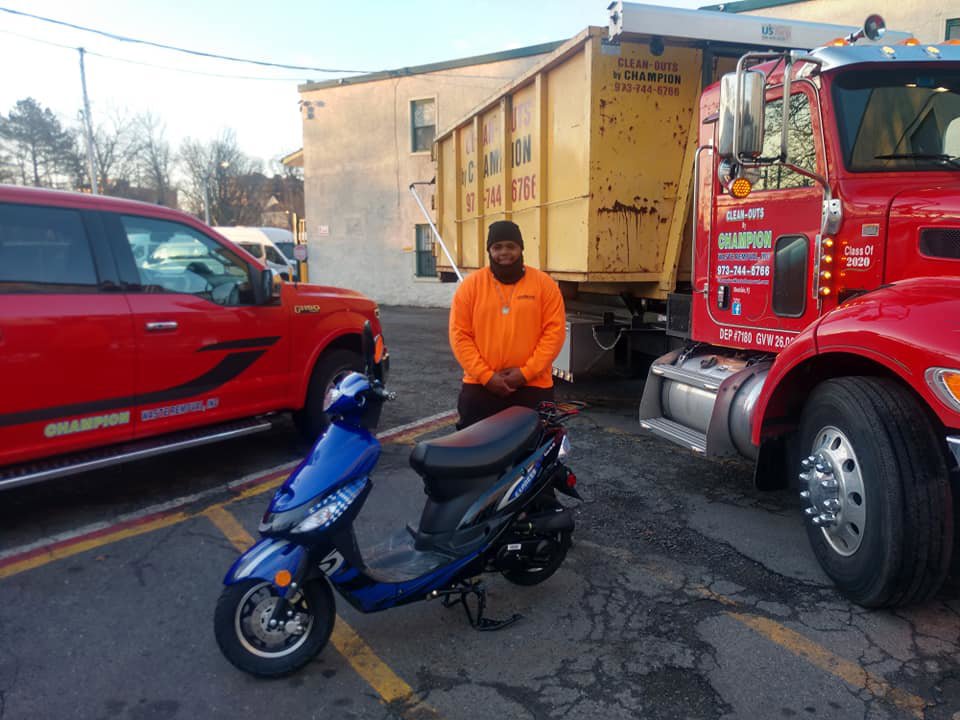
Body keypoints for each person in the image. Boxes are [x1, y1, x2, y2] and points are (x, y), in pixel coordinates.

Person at [449, 220, 566, 428]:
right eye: (497, 247)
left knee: (532, 452)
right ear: (489, 250)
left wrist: (525, 374)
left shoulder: (544, 284)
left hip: (533, 386)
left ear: (521, 248)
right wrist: (487, 376)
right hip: (480, 387)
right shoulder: (470, 286)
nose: (504, 252)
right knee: (475, 454)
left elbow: (554, 333)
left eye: (511, 246)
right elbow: (460, 335)